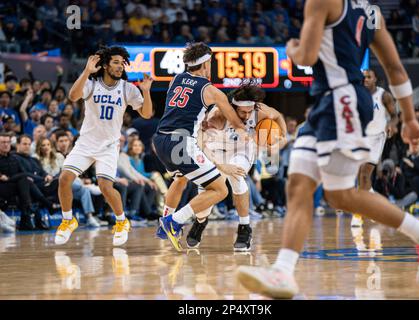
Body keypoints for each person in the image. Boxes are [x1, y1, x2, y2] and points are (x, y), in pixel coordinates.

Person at [236, 0, 419, 299]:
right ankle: (282, 271)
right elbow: (395, 69)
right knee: (299, 185)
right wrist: (410, 118)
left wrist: (293, 46)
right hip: (328, 103)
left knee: (341, 195)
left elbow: (306, 56)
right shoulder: (370, 11)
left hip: (343, 102)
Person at [152, 42, 249, 251]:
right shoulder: (211, 91)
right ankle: (174, 222)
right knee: (220, 189)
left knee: (180, 179)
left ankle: (164, 223)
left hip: (160, 140)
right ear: (206, 63)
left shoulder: (175, 79)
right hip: (182, 143)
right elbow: (235, 121)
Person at [55, 46, 153, 246]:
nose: (119, 66)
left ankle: (121, 221)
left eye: (122, 63)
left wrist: (146, 91)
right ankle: (67, 220)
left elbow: (146, 114)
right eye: (115, 62)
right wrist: (86, 71)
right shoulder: (91, 83)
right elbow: (73, 96)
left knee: (105, 186)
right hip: (85, 143)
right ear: (106, 65)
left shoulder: (127, 88)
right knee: (64, 179)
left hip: (109, 145)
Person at [170, 82, 287, 251]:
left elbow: (277, 117)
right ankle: (201, 221)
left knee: (237, 175)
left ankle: (244, 227)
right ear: (232, 108)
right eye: (242, 112)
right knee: (207, 193)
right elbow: (200, 144)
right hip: (215, 150)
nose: (247, 116)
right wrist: (220, 165)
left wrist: (281, 137)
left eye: (249, 112)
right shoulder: (217, 116)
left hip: (242, 150)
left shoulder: (260, 111)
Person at [351, 69, 397, 228]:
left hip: (377, 137)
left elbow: (394, 115)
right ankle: (377, 207)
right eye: (364, 77)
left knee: (364, 174)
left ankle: (358, 213)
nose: (366, 79)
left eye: (369, 77)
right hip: (362, 136)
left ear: (375, 79)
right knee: (361, 177)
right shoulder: (357, 95)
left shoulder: (384, 96)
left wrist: (391, 125)